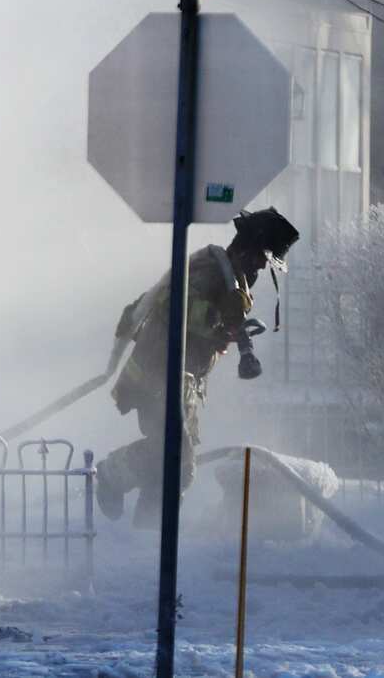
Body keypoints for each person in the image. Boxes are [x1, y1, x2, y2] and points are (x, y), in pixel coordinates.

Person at [94, 206, 300, 527]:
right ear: (248, 249)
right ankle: (111, 474)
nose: (262, 265)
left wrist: (230, 329)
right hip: (158, 375)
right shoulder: (213, 271)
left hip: (182, 380)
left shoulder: (231, 278)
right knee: (176, 460)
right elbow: (178, 307)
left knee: (174, 470)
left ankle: (148, 535)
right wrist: (223, 324)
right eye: (262, 257)